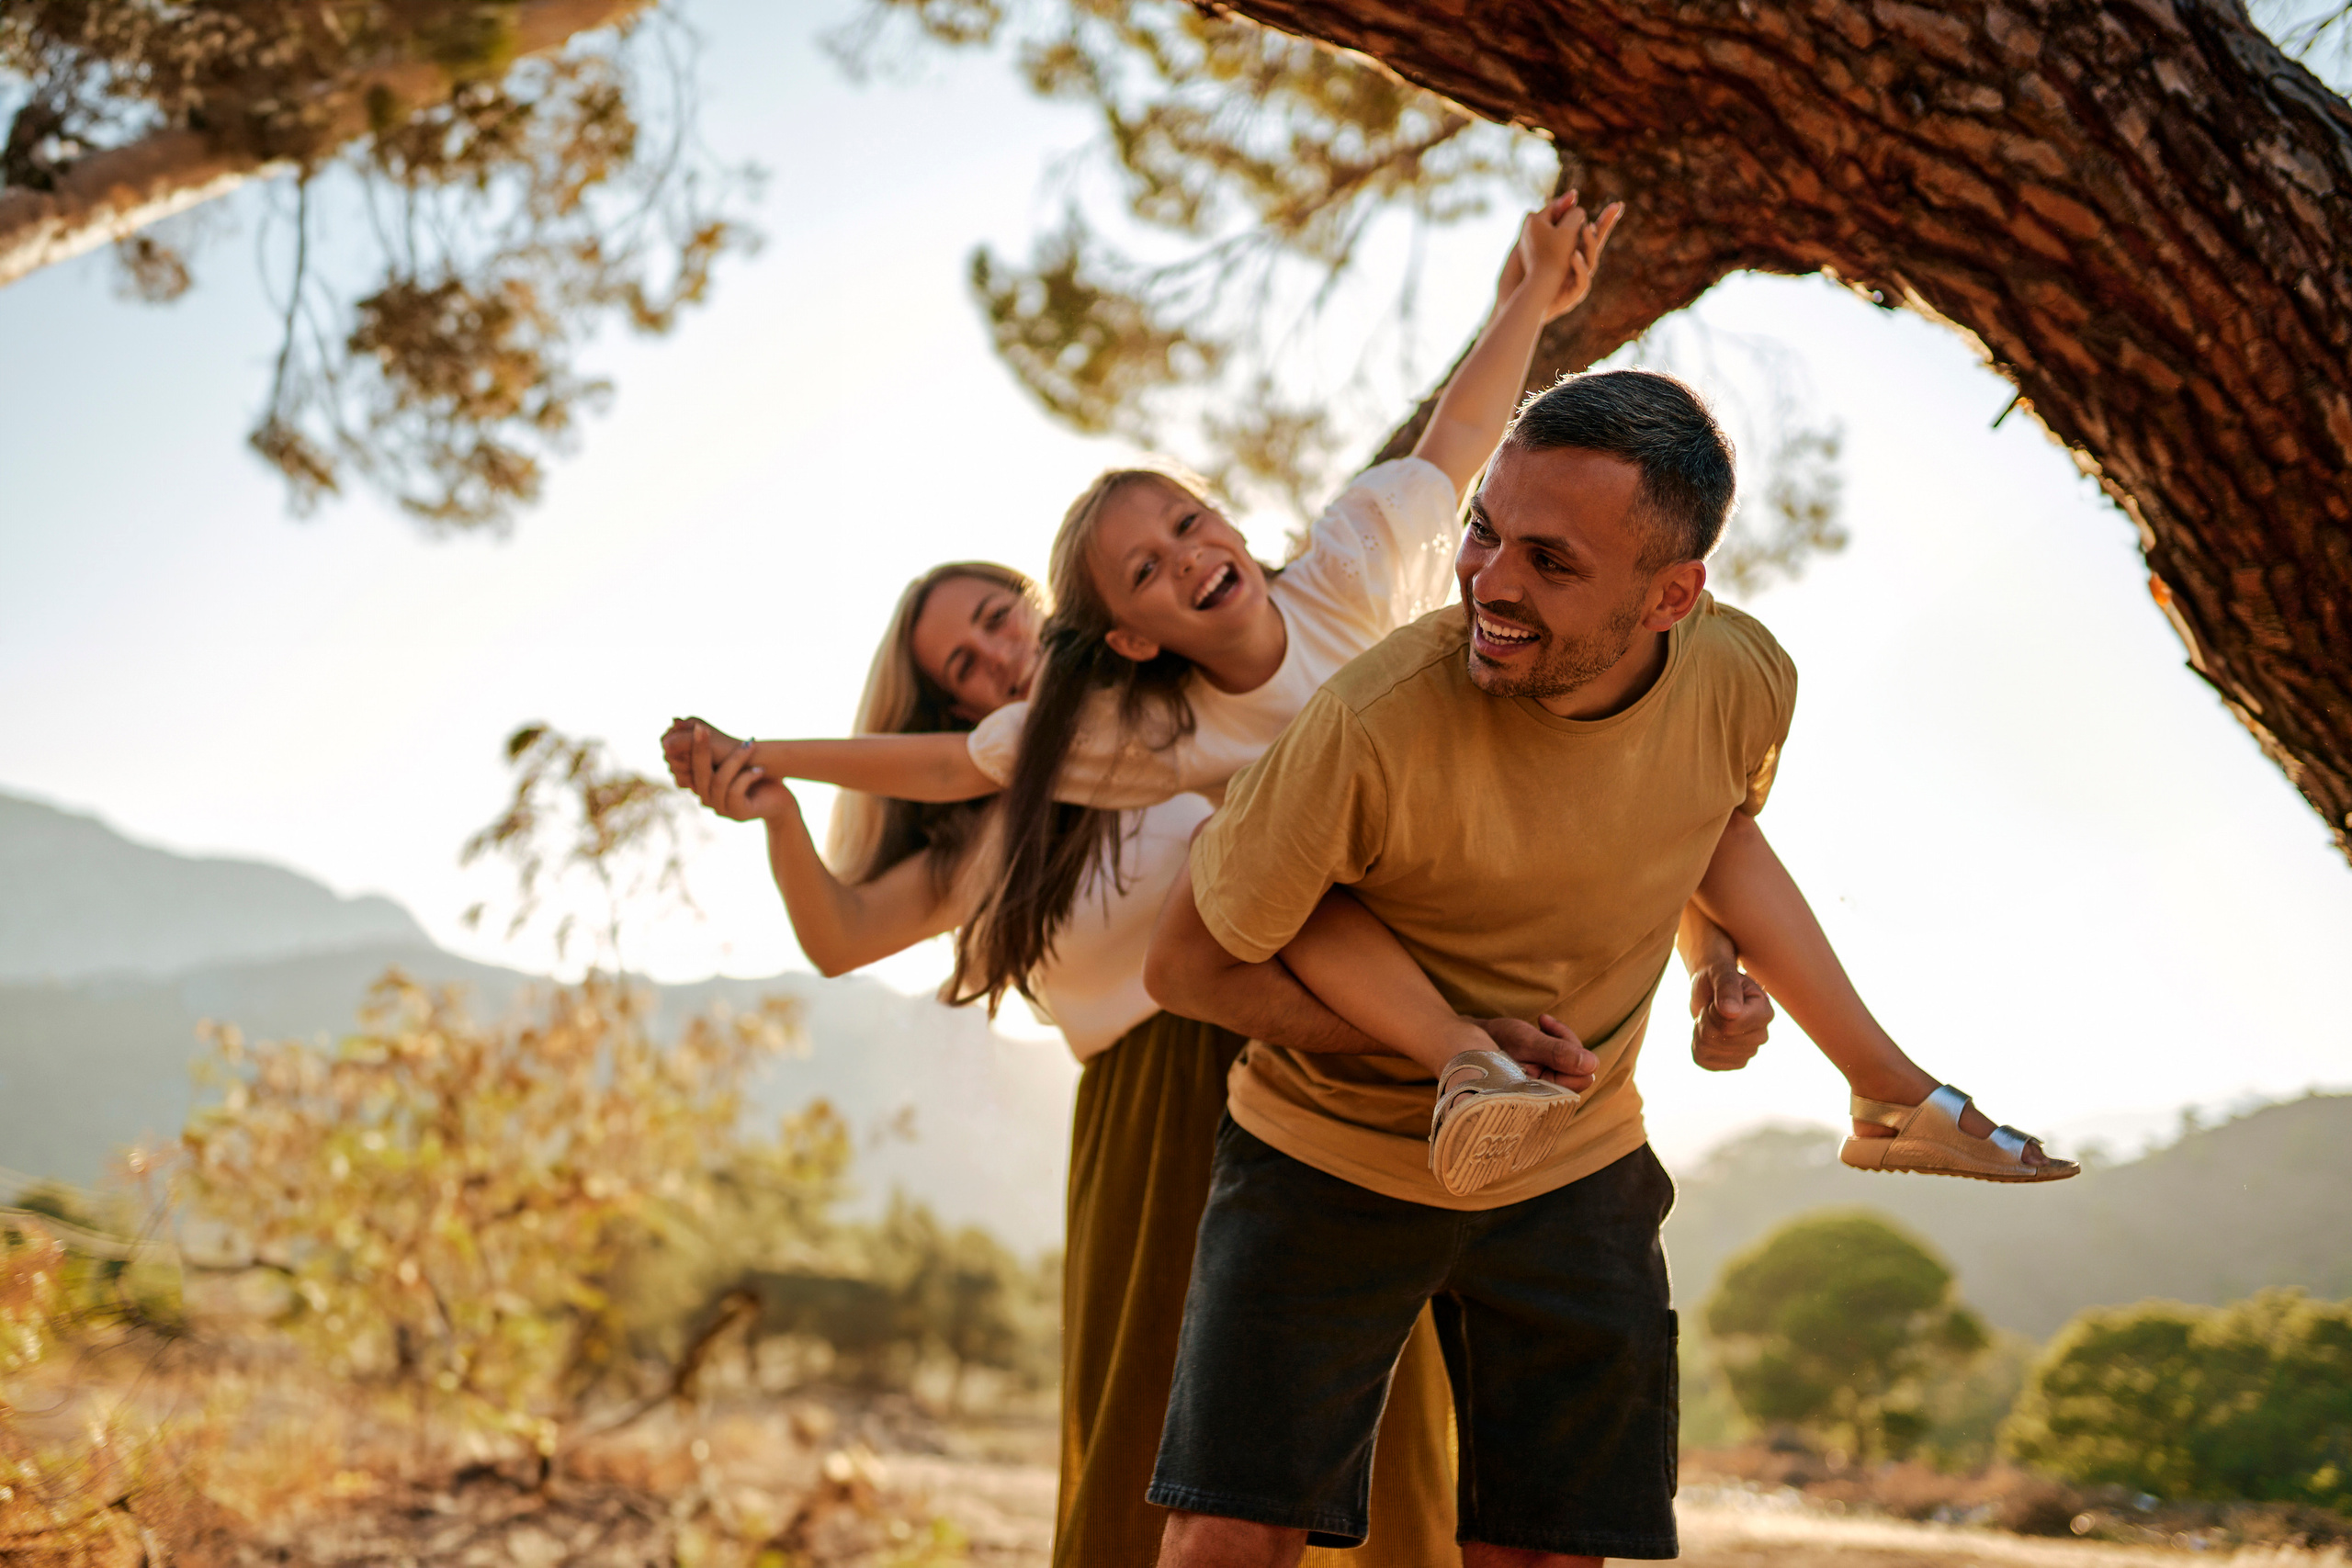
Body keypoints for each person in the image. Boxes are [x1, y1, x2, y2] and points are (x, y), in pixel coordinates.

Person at [1142, 368, 2075, 1568]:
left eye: (1552, 559)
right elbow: (1187, 966)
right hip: (1329, 1153)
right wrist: (1449, 1041)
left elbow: (1699, 833)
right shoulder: (1373, 721)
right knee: (1233, 1531)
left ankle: (1888, 1091)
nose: (1491, 580)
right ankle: (1843, 1088)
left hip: (1574, 1152)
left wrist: (1715, 967)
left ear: (1672, 594)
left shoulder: (1745, 679)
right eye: (1484, 529)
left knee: (1551, 1543)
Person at [668, 561, 1464, 1568]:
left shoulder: (1185, 712)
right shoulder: (995, 831)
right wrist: (780, 815)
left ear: (1045, 611)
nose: (997, 655)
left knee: (1366, 1390)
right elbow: (841, 936)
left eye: (1001, 619)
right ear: (953, 702)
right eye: (963, 660)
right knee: (1154, 1411)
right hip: (1151, 1125)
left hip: (1314, 1067)